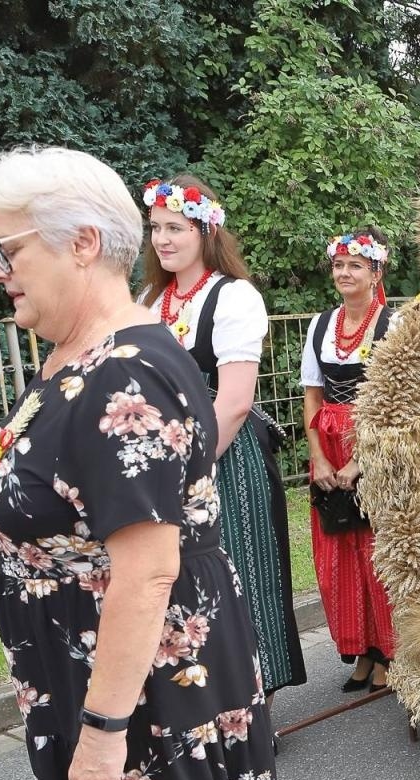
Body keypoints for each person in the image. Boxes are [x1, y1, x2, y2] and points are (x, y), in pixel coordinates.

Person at [0, 146, 302, 780]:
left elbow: (146, 571)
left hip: (139, 677)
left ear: (80, 244)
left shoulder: (121, 374)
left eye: (8, 251)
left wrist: (104, 727)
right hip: (104, 662)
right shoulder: (85, 349)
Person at [140, 176, 306, 701]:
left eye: (175, 228)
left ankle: (253, 702)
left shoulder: (234, 297)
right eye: (156, 228)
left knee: (241, 573)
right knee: (180, 579)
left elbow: (233, 401)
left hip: (223, 458)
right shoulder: (148, 299)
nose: (163, 239)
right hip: (166, 458)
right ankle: (201, 694)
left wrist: (189, 467)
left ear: (205, 230)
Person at [301, 229, 397, 690]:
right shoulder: (321, 326)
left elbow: (396, 401)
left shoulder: (390, 326)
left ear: (375, 272)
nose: (344, 273)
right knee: (339, 551)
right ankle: (359, 648)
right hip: (329, 446)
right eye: (339, 265)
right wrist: (318, 456)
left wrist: (360, 461)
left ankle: (388, 652)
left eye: (355, 265)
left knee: (377, 550)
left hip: (375, 446)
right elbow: (312, 396)